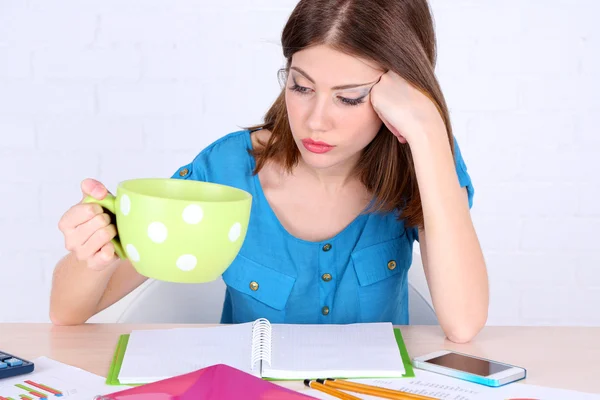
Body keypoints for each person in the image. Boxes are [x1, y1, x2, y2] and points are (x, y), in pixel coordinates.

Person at [50, 0, 488, 343]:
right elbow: (67, 315)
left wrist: (429, 129)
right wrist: (93, 252)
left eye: (349, 98)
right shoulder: (225, 170)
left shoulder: (425, 161)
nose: (316, 121)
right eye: (300, 86)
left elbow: (464, 323)